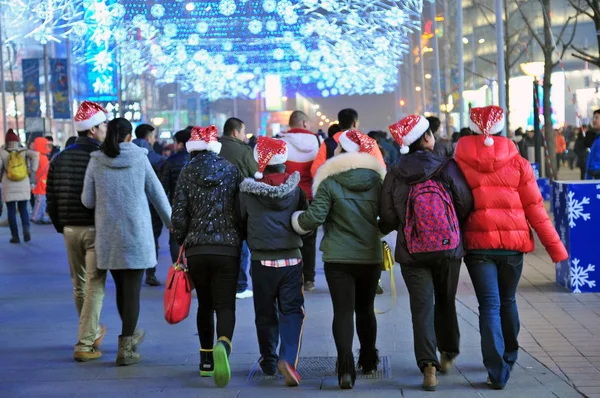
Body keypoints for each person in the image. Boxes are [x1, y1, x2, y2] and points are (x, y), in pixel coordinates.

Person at [454, 106, 568, 389]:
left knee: (489, 305)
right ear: (502, 130)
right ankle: (510, 355)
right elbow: (536, 210)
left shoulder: (457, 164)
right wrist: (556, 249)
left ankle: (496, 370)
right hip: (512, 247)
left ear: (471, 130)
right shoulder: (518, 163)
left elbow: (454, 207)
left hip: (478, 246)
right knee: (508, 301)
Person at [379, 115, 474, 391]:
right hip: (448, 248)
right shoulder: (446, 166)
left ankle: (428, 367)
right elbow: (465, 201)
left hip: (411, 251)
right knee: (445, 300)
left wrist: (402, 225)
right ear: (427, 138)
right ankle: (448, 352)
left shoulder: (395, 172)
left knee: (421, 307)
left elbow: (385, 214)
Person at [292, 131, 385, 389]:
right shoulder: (378, 181)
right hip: (369, 256)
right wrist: (377, 232)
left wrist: (295, 221)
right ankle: (368, 359)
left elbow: (314, 219)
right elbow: (388, 218)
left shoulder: (329, 181)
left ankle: (345, 369)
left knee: (342, 311)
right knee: (365, 309)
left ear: (341, 152)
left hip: (338, 257)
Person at [81, 118, 172, 366]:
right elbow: (157, 194)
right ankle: (127, 347)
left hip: (109, 236)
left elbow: (87, 200)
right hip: (137, 235)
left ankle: (130, 337)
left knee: (122, 289)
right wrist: (172, 224)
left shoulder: (96, 160)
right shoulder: (140, 158)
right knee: (132, 292)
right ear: (130, 137)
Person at [172, 125, 242, 387]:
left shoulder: (187, 171)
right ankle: (223, 343)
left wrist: (183, 239)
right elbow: (240, 207)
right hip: (227, 248)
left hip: (197, 249)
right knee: (225, 305)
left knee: (205, 304)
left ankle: (205, 360)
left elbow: (178, 213)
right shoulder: (231, 170)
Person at [239, 137, 307, 387]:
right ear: (283, 161)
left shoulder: (247, 191)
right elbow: (304, 223)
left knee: (265, 313)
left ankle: (268, 361)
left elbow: (242, 222)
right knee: (292, 311)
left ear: (260, 161)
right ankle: (287, 359)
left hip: (261, 262)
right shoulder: (296, 190)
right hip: (291, 260)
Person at [46, 100, 108, 362]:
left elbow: (51, 197)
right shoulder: (102, 158)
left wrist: (62, 225)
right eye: (104, 124)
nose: (106, 128)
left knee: (79, 284)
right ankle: (84, 343)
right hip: (95, 228)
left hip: (69, 228)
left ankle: (91, 331)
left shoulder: (59, 157)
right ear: (92, 130)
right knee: (95, 285)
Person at [279, 110, 321, 292]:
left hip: (289, 196)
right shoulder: (317, 141)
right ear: (304, 123)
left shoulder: (281, 142)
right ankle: (309, 279)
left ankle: (292, 277)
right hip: (310, 196)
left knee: (289, 238)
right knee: (309, 239)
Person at [219, 117, 257, 300]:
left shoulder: (213, 148)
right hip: (238, 203)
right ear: (235, 132)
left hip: (213, 205)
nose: (244, 136)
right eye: (243, 132)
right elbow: (255, 174)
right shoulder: (243, 151)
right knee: (241, 246)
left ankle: (220, 284)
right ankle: (240, 286)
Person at [132, 123, 166, 286]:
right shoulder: (158, 160)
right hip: (151, 206)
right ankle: (150, 273)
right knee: (152, 239)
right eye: (153, 137)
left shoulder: (123, 155)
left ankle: (133, 272)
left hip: (130, 205)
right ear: (148, 138)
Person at [310, 108, 385, 177]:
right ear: (355, 123)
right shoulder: (369, 142)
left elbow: (315, 171)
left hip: (336, 190)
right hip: (366, 189)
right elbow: (381, 169)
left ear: (339, 124)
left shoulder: (328, 143)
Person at [0, 129, 38, 243]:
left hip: (8, 183)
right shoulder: (24, 150)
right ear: (17, 140)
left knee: (11, 210)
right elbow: (36, 155)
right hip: (23, 182)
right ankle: (26, 229)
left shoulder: (2, 151)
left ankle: (15, 236)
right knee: (23, 208)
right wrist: (32, 170)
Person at [160, 128, 191, 263]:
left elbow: (163, 188)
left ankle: (178, 268)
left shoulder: (170, 161)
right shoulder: (195, 159)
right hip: (195, 207)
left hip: (176, 207)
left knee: (175, 240)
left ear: (179, 143)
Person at [31, 136, 52, 224]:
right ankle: (35, 217)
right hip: (39, 184)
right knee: (40, 201)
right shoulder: (38, 156)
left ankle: (42, 216)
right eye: (46, 145)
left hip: (43, 183)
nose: (48, 148)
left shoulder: (41, 156)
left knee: (43, 201)